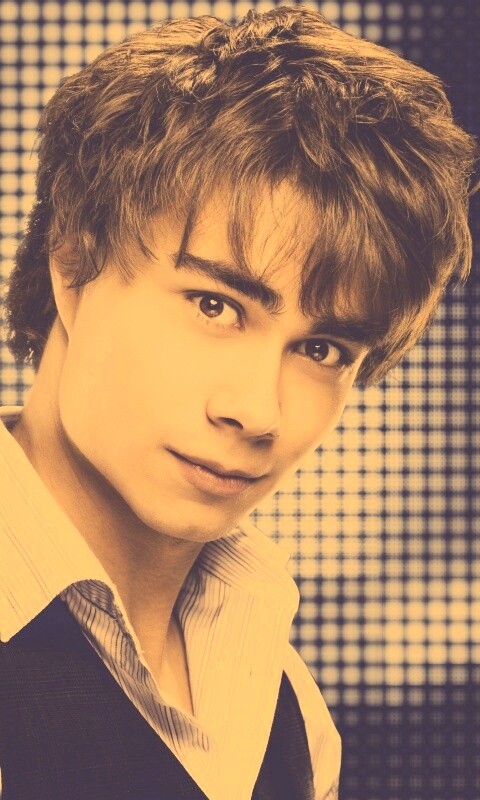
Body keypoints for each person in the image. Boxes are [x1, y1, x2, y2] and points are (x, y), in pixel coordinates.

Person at [0, 5, 477, 799]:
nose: (259, 411)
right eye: (216, 306)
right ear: (76, 263)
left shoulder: (289, 706)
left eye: (323, 350)